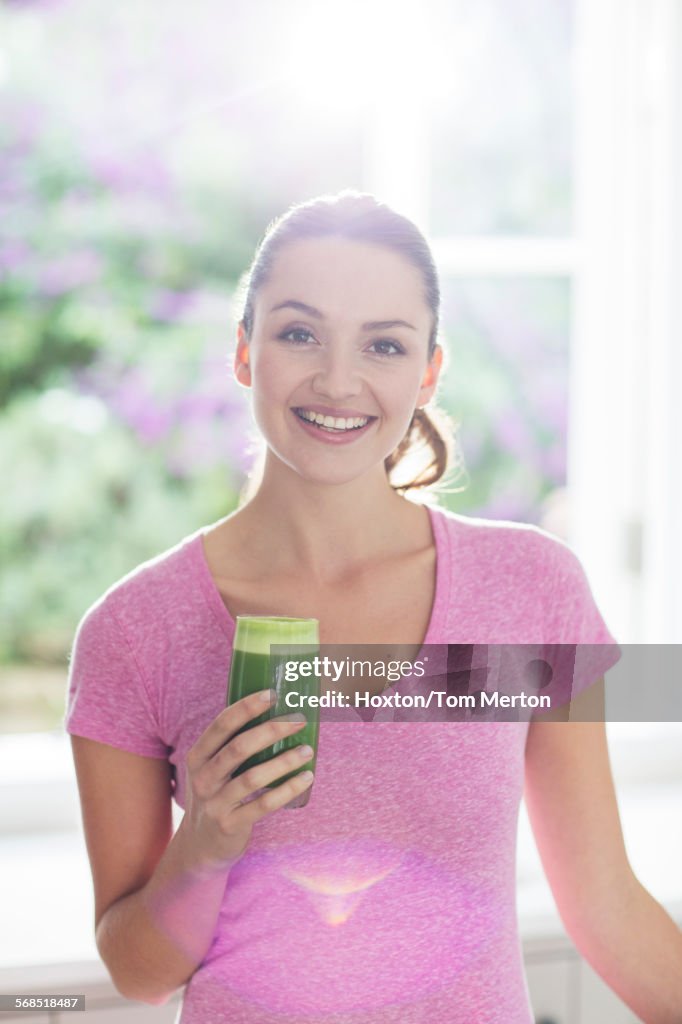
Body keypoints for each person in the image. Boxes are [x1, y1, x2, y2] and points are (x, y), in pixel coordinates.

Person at [65, 191, 682, 1024]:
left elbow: (607, 910)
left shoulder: (529, 590)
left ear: (427, 371)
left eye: (384, 345)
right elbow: (138, 971)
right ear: (245, 351)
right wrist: (204, 841)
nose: (338, 380)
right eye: (298, 333)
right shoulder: (135, 633)